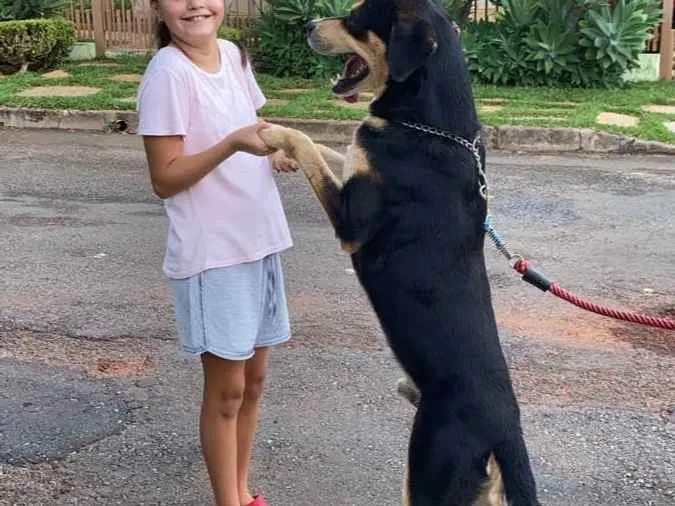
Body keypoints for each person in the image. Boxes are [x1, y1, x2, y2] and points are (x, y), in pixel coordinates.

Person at [136, 1, 298, 505]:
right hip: (214, 255)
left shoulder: (233, 55)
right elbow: (165, 178)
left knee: (254, 382)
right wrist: (232, 145)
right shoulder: (168, 74)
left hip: (261, 240)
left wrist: (275, 149)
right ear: (157, 7)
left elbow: (254, 124)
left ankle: (242, 492)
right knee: (226, 392)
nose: (194, 4)